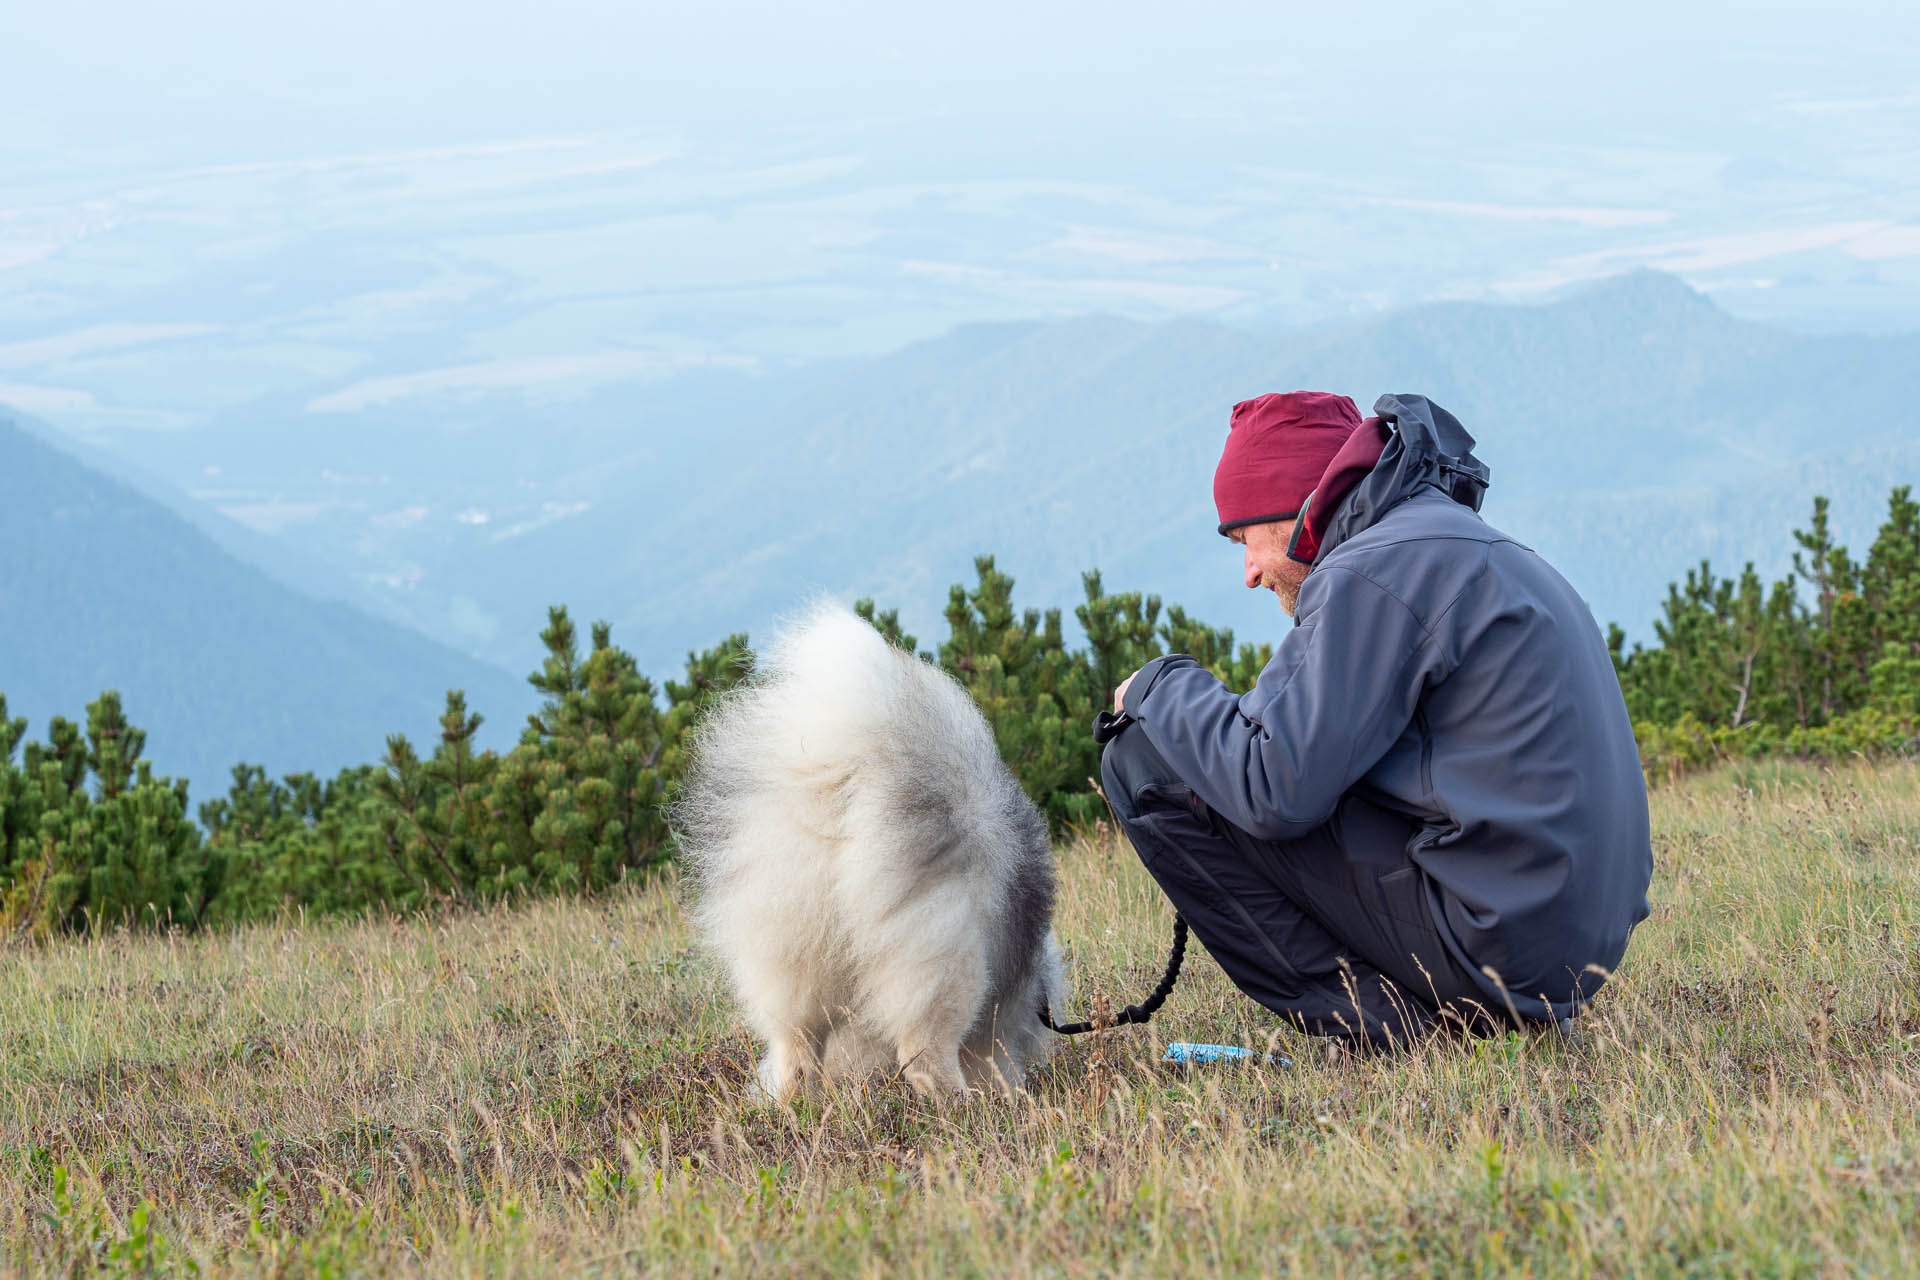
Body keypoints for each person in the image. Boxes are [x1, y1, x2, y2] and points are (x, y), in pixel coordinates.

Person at [1102, 391, 1653, 1047]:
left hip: (1499, 945)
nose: (1248, 572)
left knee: (1143, 758)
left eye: (1245, 538)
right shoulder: (1454, 543)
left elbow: (1270, 788)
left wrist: (1158, 683)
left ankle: (1387, 1033)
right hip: (1564, 946)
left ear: (1295, 507)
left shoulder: (1373, 572)